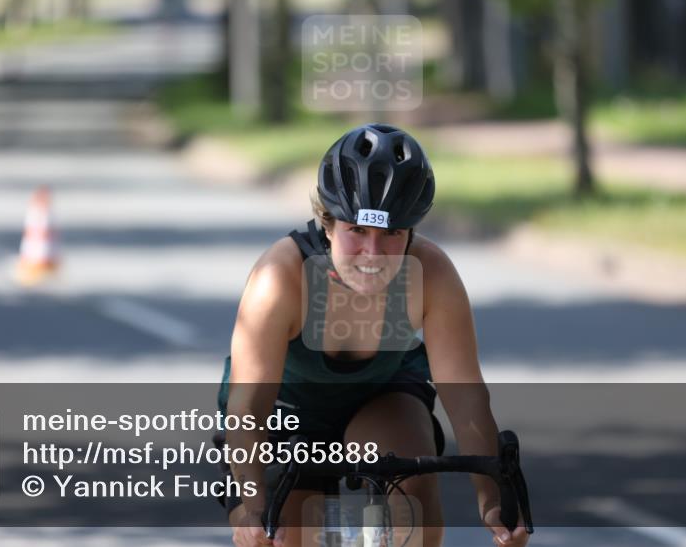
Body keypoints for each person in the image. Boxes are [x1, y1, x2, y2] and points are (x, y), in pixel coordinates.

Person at [216, 124, 529, 547]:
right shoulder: (281, 278)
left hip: (382, 399)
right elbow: (248, 408)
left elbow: (466, 396)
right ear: (327, 224)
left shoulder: (431, 274)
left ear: (412, 232)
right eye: (356, 232)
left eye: (391, 235)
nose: (373, 254)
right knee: (278, 534)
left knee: (408, 493)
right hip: (284, 413)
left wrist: (491, 499)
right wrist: (252, 505)